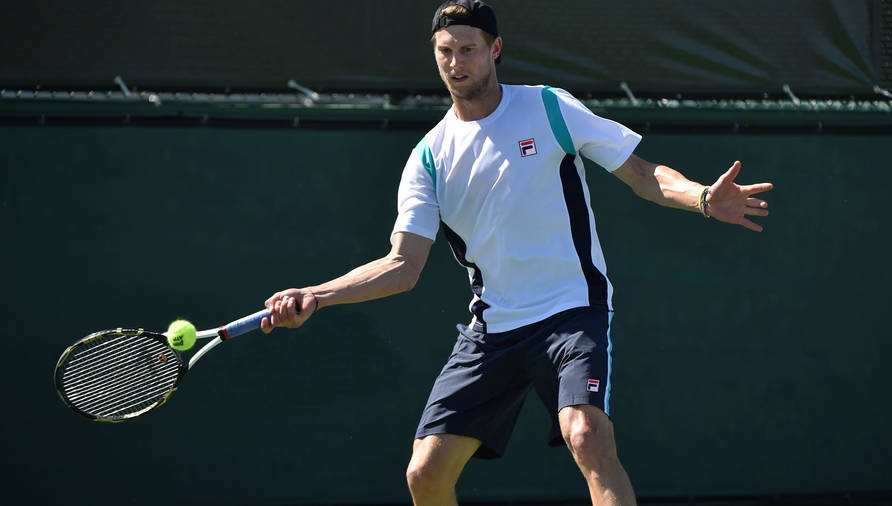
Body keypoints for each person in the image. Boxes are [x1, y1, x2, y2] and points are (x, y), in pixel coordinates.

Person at [261, 1, 773, 504]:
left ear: (495, 49)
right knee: (425, 472)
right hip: (493, 329)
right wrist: (317, 294)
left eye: (468, 49)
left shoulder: (549, 107)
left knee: (587, 436)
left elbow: (642, 174)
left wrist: (703, 197)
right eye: (445, 52)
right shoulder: (428, 157)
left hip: (571, 310)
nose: (456, 63)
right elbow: (402, 265)